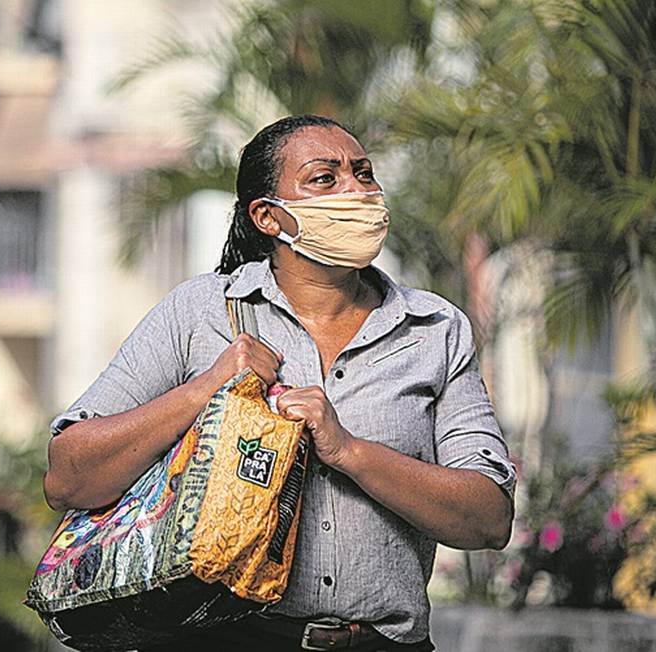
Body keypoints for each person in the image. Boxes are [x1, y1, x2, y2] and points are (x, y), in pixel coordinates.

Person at [43, 114, 517, 651]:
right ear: (268, 216)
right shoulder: (199, 313)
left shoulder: (435, 330)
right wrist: (208, 388)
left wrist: (349, 452)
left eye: (364, 173)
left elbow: (489, 519)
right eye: (325, 178)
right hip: (225, 640)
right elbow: (68, 477)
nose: (357, 191)